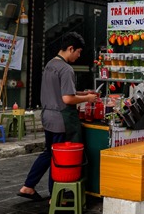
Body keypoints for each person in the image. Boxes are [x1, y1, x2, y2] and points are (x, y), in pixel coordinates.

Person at [17, 32, 98, 201]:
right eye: (79, 52)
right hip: (62, 120)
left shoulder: (50, 65)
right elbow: (67, 98)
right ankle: (56, 195)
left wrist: (82, 93)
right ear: (70, 48)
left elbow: (60, 91)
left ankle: (28, 186)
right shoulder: (66, 69)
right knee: (59, 158)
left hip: (48, 117)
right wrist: (88, 98)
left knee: (49, 153)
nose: (79, 55)